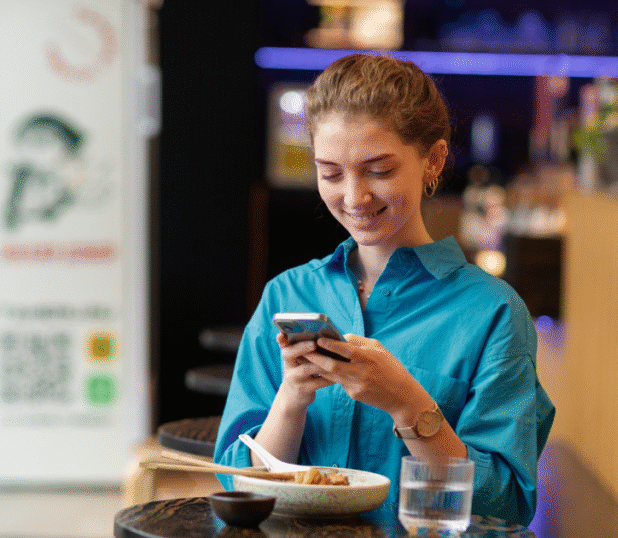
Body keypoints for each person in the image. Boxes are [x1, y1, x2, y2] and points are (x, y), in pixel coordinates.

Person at [213, 53, 555, 525]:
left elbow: (506, 506)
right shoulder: (286, 295)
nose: (354, 197)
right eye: (331, 173)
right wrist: (291, 398)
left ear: (432, 160)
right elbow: (235, 482)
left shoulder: (493, 313)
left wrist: (408, 404)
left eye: (378, 170)